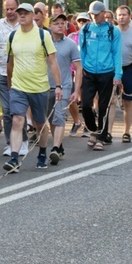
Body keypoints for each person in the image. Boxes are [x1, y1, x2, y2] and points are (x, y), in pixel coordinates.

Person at [2, 3, 62, 172]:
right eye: (19, 12)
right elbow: (10, 63)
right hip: (18, 87)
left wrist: (58, 86)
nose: (21, 15)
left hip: (39, 87)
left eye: (25, 13)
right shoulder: (12, 36)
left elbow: (52, 62)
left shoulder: (43, 35)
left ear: (32, 15)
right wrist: (10, 84)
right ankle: (14, 159)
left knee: (40, 124)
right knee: (17, 120)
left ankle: (42, 152)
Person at [0, 0, 29, 157]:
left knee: (18, 110)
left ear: (18, 8)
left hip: (20, 74)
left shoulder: (24, 25)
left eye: (12, 9)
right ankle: (11, 143)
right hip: (2, 74)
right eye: (7, 9)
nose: (10, 12)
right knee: (8, 110)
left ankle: (23, 141)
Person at [78, 1, 122, 150]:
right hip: (89, 72)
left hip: (107, 72)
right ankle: (93, 130)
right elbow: (81, 51)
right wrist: (82, 69)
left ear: (104, 13)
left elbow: (116, 53)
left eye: (97, 14)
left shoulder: (113, 30)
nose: (95, 17)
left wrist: (118, 74)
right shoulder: (85, 29)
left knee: (104, 106)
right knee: (85, 105)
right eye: (92, 15)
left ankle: (101, 137)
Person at [46, 13, 81, 163]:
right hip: (45, 86)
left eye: (63, 23)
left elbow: (79, 68)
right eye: (56, 23)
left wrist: (77, 90)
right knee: (51, 119)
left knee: (60, 117)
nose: (60, 26)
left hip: (65, 86)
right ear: (50, 26)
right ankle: (59, 145)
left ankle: (54, 148)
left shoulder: (70, 44)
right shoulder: (44, 43)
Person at [113, 5, 132, 143]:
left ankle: (127, 132)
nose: (121, 17)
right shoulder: (112, 31)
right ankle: (108, 132)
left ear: (130, 16)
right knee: (111, 100)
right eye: (119, 15)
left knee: (127, 101)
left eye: (124, 14)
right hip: (112, 68)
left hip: (129, 67)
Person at [67, 13, 90, 138]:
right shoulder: (71, 37)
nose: (82, 23)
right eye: (80, 21)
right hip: (72, 71)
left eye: (85, 21)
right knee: (71, 98)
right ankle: (77, 122)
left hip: (87, 71)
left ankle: (88, 124)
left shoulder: (93, 37)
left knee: (86, 100)